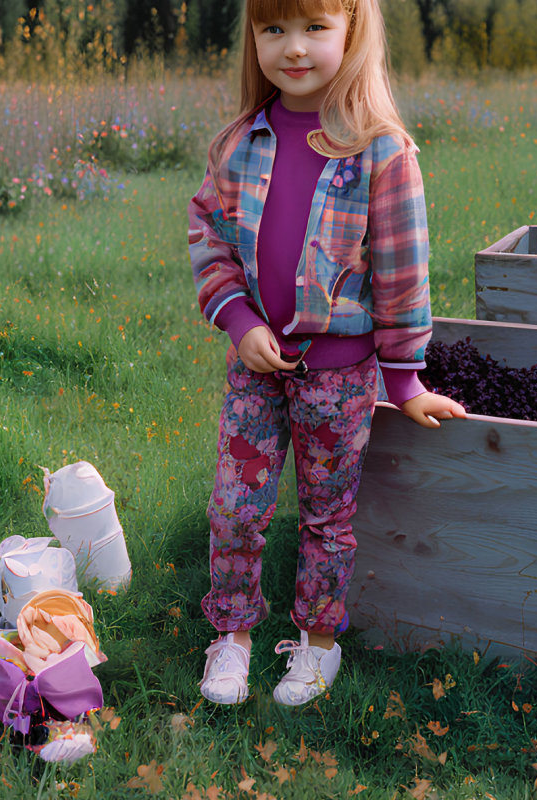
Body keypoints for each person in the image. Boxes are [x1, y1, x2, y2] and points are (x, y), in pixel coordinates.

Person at [187, 0, 466, 707]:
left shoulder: (381, 150)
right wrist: (239, 319)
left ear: (352, 32)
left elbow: (403, 272)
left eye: (315, 27)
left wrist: (405, 382)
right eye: (272, 28)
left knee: (326, 516)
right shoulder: (239, 143)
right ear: (252, 39)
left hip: (339, 376)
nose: (293, 47)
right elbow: (209, 238)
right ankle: (234, 635)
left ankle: (316, 644)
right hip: (255, 367)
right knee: (235, 508)